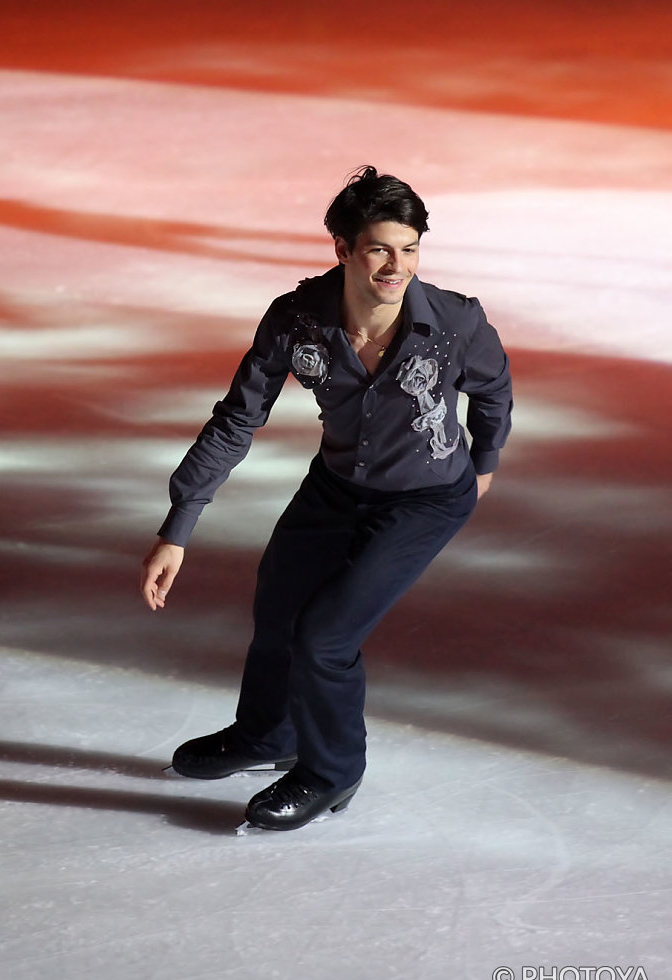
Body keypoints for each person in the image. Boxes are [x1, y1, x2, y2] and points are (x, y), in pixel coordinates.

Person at [140, 166, 512, 832]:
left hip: (422, 500)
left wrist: (482, 461)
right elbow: (237, 418)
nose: (396, 266)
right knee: (278, 606)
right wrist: (179, 524)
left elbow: (492, 391)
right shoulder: (298, 318)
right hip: (335, 486)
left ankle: (331, 770)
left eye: (409, 249)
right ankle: (266, 734)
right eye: (378, 249)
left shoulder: (455, 322)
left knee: (325, 638)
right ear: (342, 249)